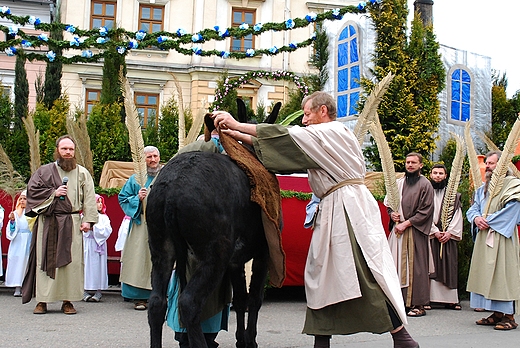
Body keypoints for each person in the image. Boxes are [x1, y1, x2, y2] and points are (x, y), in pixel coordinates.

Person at [213, 91, 418, 348]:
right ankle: (322, 341)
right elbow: (284, 147)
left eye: (307, 113)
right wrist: (237, 136)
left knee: (361, 271)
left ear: (323, 111)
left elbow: (286, 136)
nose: (304, 119)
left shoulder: (333, 131)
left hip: (348, 211)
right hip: (335, 208)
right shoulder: (321, 140)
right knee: (324, 277)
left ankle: (402, 337)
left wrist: (236, 124)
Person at [22, 135, 98, 315]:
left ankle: (68, 301)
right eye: (64, 149)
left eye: (71, 149)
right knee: (45, 260)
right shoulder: (44, 171)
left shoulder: (82, 173)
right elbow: (32, 193)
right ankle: (42, 300)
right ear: (57, 150)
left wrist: (88, 220)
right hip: (48, 222)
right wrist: (53, 193)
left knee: (70, 264)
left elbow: (89, 197)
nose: (68, 152)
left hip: (72, 223)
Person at [466, 151, 520, 330]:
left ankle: (509, 317)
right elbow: (473, 208)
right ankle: (497, 314)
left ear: (502, 164)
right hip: (484, 236)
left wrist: (488, 220)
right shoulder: (483, 188)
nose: (487, 166)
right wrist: (476, 219)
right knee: (486, 274)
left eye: (491, 163)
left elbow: (514, 209)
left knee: (503, 275)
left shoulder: (513, 185)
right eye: (487, 163)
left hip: (502, 238)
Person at [386, 152, 434, 318]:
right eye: (408, 162)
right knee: (395, 265)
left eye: (414, 162)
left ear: (421, 165)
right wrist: (392, 214)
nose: (410, 165)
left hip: (414, 232)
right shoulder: (398, 183)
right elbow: (389, 203)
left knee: (416, 268)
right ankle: (398, 302)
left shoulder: (425, 184)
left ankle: (418, 304)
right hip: (398, 232)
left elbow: (426, 211)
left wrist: (406, 223)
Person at [118, 145, 162, 310]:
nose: (153, 160)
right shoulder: (135, 179)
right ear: (143, 160)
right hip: (141, 224)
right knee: (138, 260)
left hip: (161, 225)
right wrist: (137, 198)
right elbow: (123, 198)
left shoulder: (166, 175)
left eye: (155, 156)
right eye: (149, 157)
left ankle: (159, 294)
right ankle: (139, 297)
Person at [428, 164, 463, 310]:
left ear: (446, 176)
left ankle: (450, 299)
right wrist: (434, 231)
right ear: (430, 175)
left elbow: (457, 215)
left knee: (449, 264)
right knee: (430, 266)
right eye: (435, 173)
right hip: (431, 235)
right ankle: (428, 298)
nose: (437, 176)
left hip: (447, 236)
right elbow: (424, 215)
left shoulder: (454, 195)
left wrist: (449, 232)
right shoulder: (425, 193)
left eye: (440, 173)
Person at [83, 194, 112, 302]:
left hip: (98, 245)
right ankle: (84, 289)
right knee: (86, 266)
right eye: (97, 202)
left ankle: (98, 291)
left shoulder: (104, 218)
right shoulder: (84, 217)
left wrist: (94, 228)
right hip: (87, 244)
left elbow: (108, 230)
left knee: (98, 267)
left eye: (101, 202)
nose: (100, 204)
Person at [5, 191, 32, 297]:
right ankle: (17, 287)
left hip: (28, 241)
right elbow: (11, 231)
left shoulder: (31, 214)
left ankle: (27, 287)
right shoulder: (15, 214)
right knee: (17, 263)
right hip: (18, 242)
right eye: (20, 199)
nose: (22, 201)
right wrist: (12, 221)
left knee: (26, 263)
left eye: (24, 199)